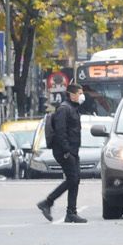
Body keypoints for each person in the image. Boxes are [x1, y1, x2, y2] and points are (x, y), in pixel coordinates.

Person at [36, 84, 88, 224]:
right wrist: (66, 151)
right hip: (64, 151)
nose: (82, 96)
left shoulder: (73, 108)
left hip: (72, 150)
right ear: (72, 94)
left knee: (75, 179)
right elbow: (60, 132)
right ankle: (48, 202)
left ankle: (71, 213)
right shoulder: (64, 109)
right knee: (72, 179)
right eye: (79, 93)